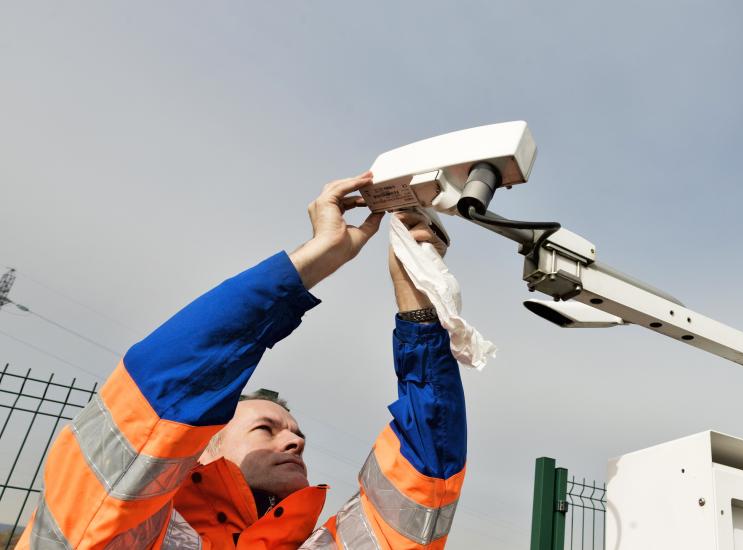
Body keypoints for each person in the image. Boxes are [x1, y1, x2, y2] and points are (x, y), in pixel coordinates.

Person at [18, 172, 466, 549]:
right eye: (264, 429)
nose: (294, 443)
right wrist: (313, 259)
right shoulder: (125, 524)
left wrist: (420, 309)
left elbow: (423, 479)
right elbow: (167, 390)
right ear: (205, 447)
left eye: (296, 435)